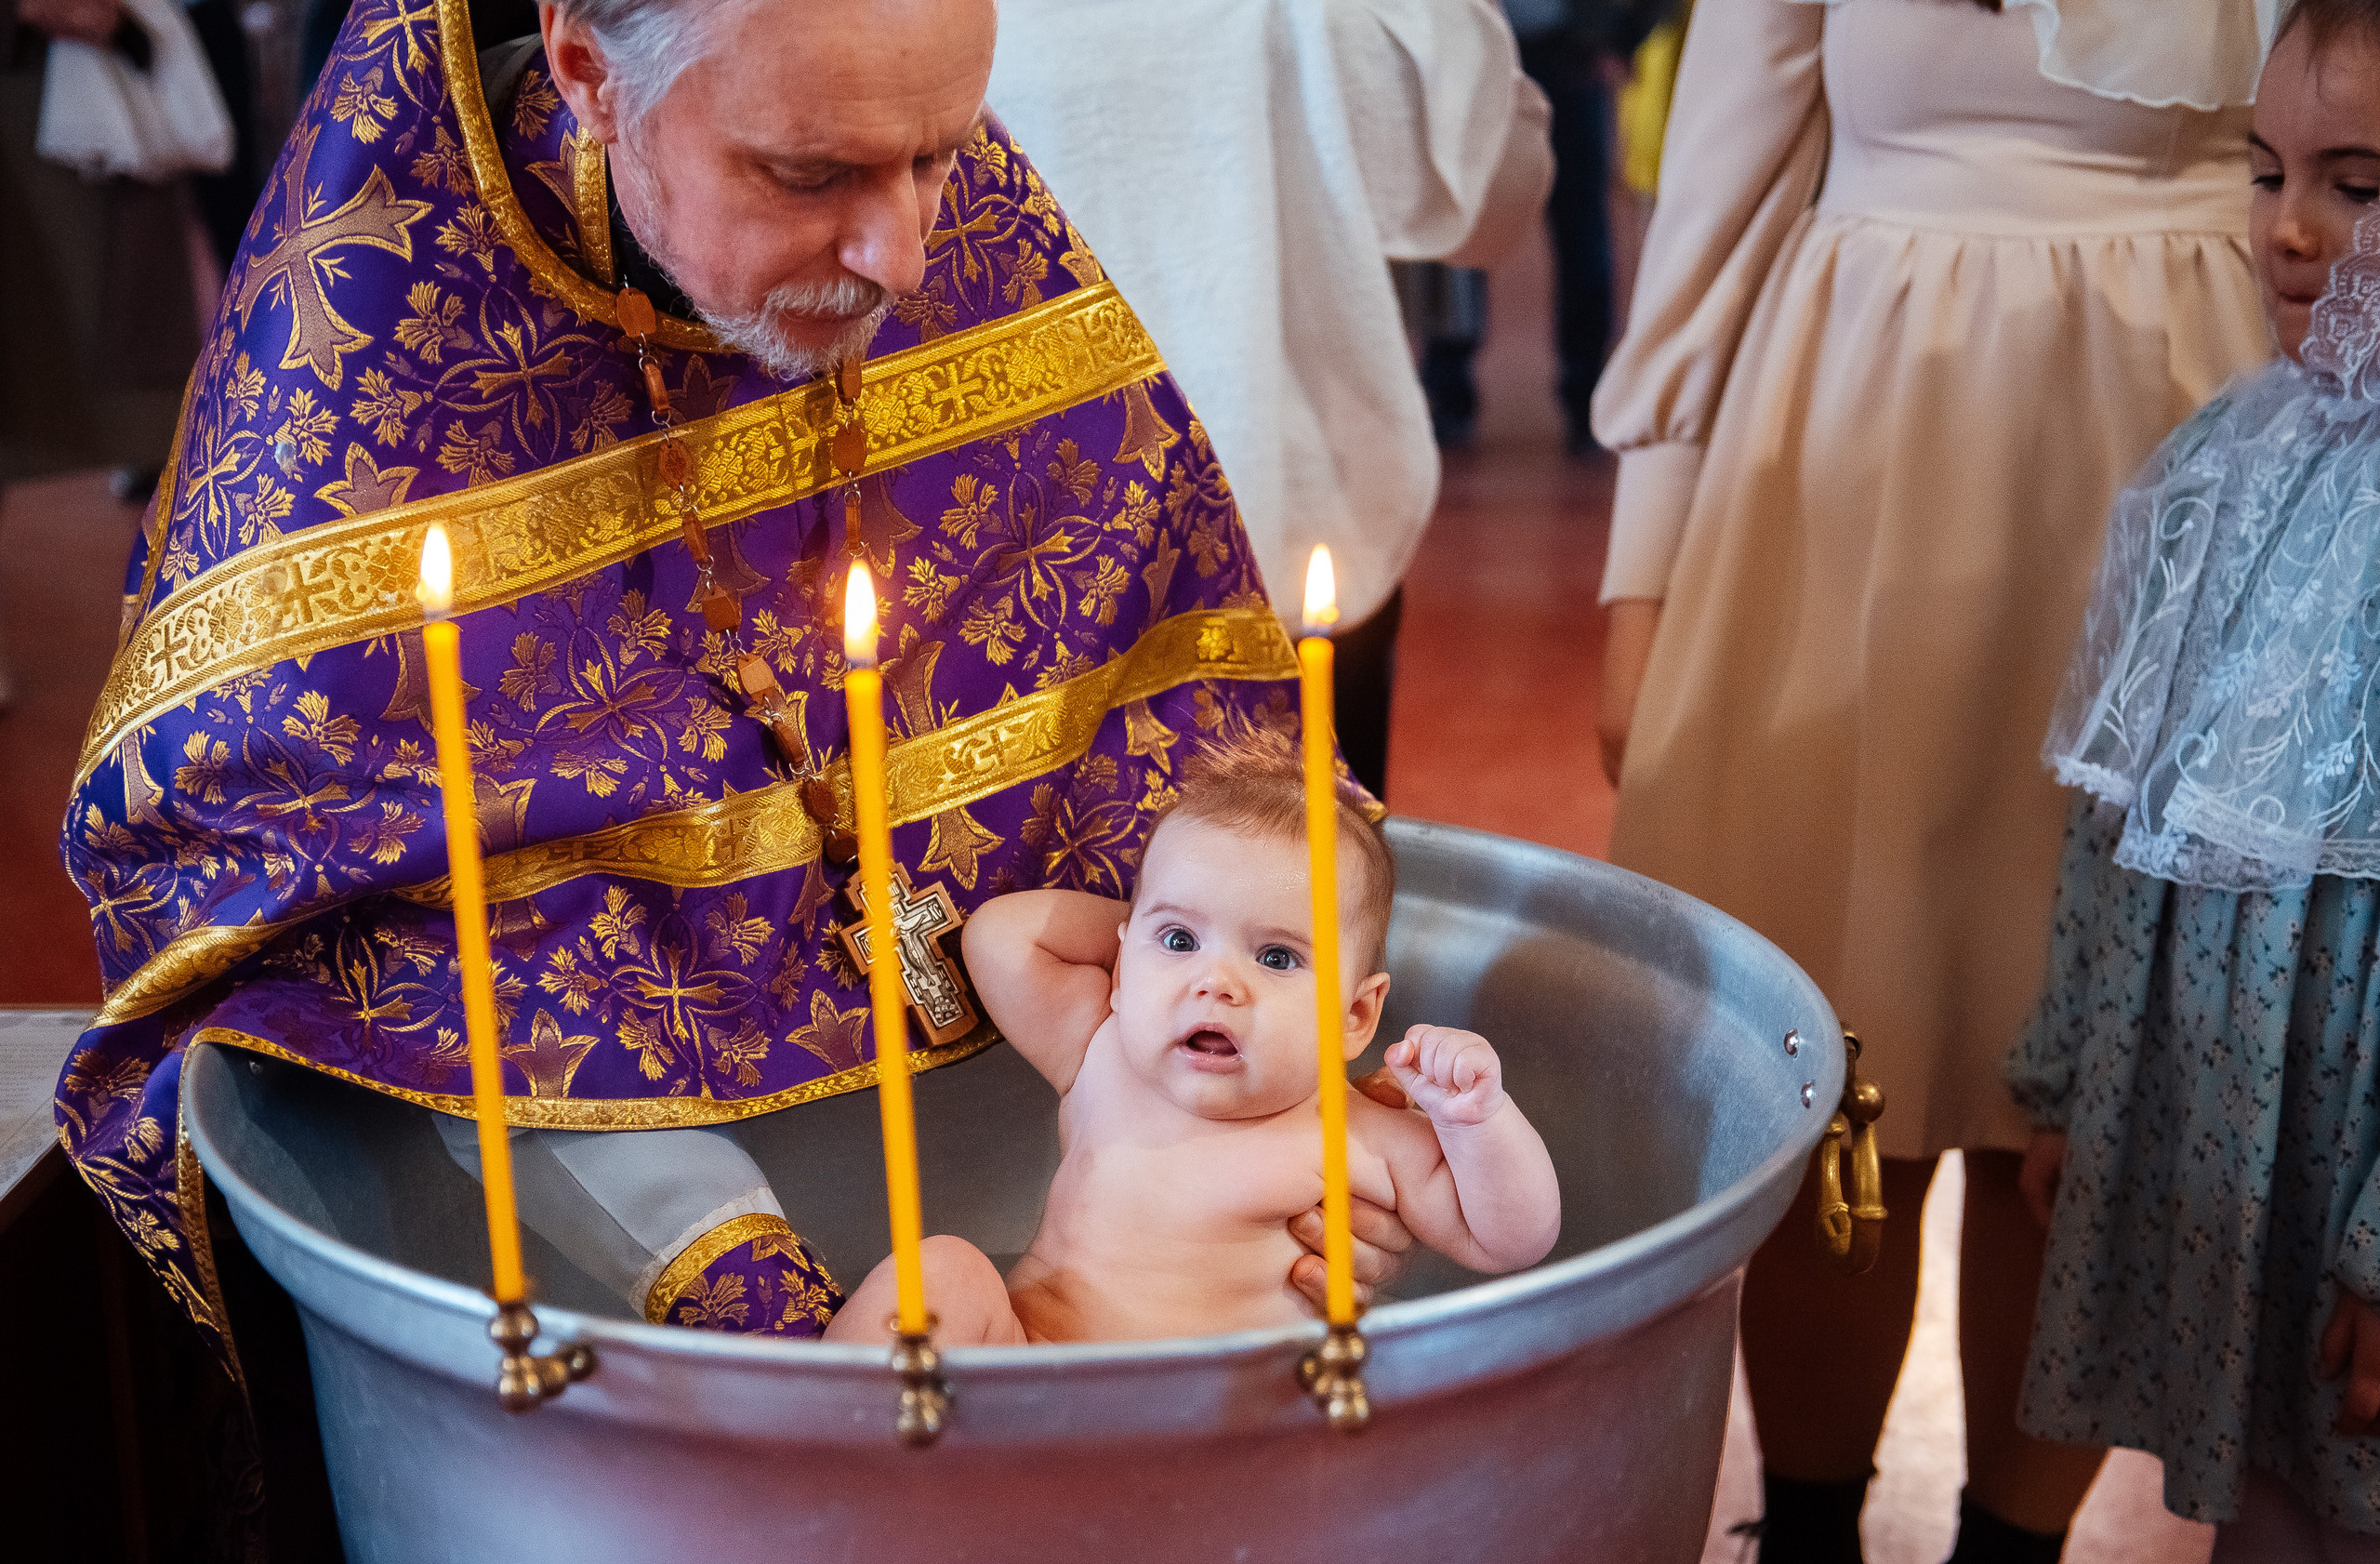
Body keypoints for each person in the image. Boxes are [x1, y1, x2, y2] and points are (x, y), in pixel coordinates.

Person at [55, 0, 1410, 1387]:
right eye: (809, 176)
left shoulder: (891, 154)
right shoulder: (359, 351)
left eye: (947, 154)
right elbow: (284, 846)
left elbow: (1158, 649)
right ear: (588, 72)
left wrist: (1303, 1141)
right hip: (621, 1156)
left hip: (1036, 1142)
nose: (908, 256)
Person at [1588, 0, 2278, 1558]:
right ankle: (1810, 1532)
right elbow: (1724, 185)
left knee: (2092, 1107)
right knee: (1844, 1070)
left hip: (2188, 449)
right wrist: (1643, 575)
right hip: (1853, 446)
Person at [2011, 6, 2380, 1555]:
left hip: (2355, 1142)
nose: (2287, 229)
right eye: (2264, 170)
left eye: (2358, 185)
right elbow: (2121, 821)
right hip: (2250, 1143)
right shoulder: (2215, 459)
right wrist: (2063, 1079)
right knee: (2274, 1498)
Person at [985, 0, 1553, 802]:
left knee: (1033, 913)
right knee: (1303, 897)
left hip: (1023, 552)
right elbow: (1494, 194)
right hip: (1284, 517)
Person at [824, 734, 1561, 1345]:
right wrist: (1146, 962)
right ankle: (840, 1467)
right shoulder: (1104, 1056)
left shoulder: (1359, 1137)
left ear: (1355, 1018)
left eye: (1276, 957)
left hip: (1204, 1423)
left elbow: (1510, 1239)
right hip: (1024, 1371)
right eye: (1181, 940)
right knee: (942, 1271)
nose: (1215, 982)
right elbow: (1002, 937)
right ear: (1120, 965)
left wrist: (1477, 1120)